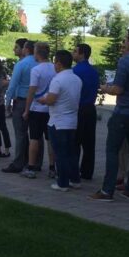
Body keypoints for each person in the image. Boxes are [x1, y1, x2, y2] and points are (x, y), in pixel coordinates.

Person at [90, 27, 129, 201]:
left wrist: (104, 88)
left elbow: (118, 89)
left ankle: (107, 190)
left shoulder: (125, 61)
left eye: (126, 38)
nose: (124, 41)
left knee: (112, 149)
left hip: (123, 112)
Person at [38, 49, 82, 191]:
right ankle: (75, 179)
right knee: (71, 153)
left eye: (55, 62)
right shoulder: (77, 79)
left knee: (61, 153)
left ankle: (62, 182)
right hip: (72, 121)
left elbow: (51, 99)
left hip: (58, 121)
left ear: (59, 64)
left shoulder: (57, 79)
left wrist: (43, 100)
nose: (54, 65)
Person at [22, 42, 55, 179]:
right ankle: (52, 168)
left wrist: (26, 110)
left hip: (36, 109)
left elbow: (31, 91)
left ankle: (31, 167)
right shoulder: (55, 68)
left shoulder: (36, 70)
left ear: (37, 53)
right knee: (50, 140)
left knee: (34, 138)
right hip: (50, 109)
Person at [3, 38, 35, 173]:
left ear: (24, 49)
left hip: (21, 101)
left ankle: (18, 163)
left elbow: (12, 85)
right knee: (35, 135)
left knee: (20, 134)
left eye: (16, 47)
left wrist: (7, 103)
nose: (14, 49)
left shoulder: (21, 64)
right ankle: (34, 162)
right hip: (37, 102)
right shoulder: (40, 63)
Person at [72, 43, 99, 180]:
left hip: (79, 108)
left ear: (82, 54)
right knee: (89, 143)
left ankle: (73, 170)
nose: (73, 53)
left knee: (75, 141)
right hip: (90, 108)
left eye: (75, 51)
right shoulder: (94, 71)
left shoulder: (75, 71)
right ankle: (87, 171)